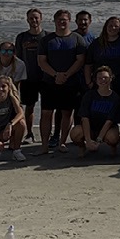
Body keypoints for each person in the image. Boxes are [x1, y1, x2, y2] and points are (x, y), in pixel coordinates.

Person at [37, 9, 87, 154]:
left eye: (64, 20)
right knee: (46, 113)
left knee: (67, 113)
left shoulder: (77, 39)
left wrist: (66, 75)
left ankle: (62, 143)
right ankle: (44, 145)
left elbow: (80, 60)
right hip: (49, 82)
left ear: (69, 21)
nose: (62, 22)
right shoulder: (46, 40)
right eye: (59, 20)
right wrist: (55, 75)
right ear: (54, 21)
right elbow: (41, 61)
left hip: (70, 82)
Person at [84, 16, 120, 148]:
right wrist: (89, 82)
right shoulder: (97, 44)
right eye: (110, 26)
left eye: (116, 26)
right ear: (105, 27)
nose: (113, 28)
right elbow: (88, 64)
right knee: (99, 111)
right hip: (101, 85)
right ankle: (95, 138)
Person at [71, 66, 120, 158]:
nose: (103, 80)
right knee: (75, 133)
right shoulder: (89, 95)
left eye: (105, 77)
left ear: (111, 78)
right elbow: (84, 118)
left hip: (107, 129)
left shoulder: (115, 98)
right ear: (95, 80)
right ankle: (82, 147)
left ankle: (113, 147)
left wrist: (98, 140)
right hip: (91, 128)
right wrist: (88, 140)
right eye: (100, 78)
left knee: (113, 137)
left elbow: (109, 121)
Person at [15, 8, 47, 142]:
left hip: (46, 78)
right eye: (31, 18)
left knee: (47, 109)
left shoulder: (48, 36)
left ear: (41, 19)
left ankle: (47, 134)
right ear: (27, 20)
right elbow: (17, 59)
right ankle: (29, 134)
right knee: (29, 107)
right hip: (28, 78)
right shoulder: (22, 37)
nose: (34, 20)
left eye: (36, 18)